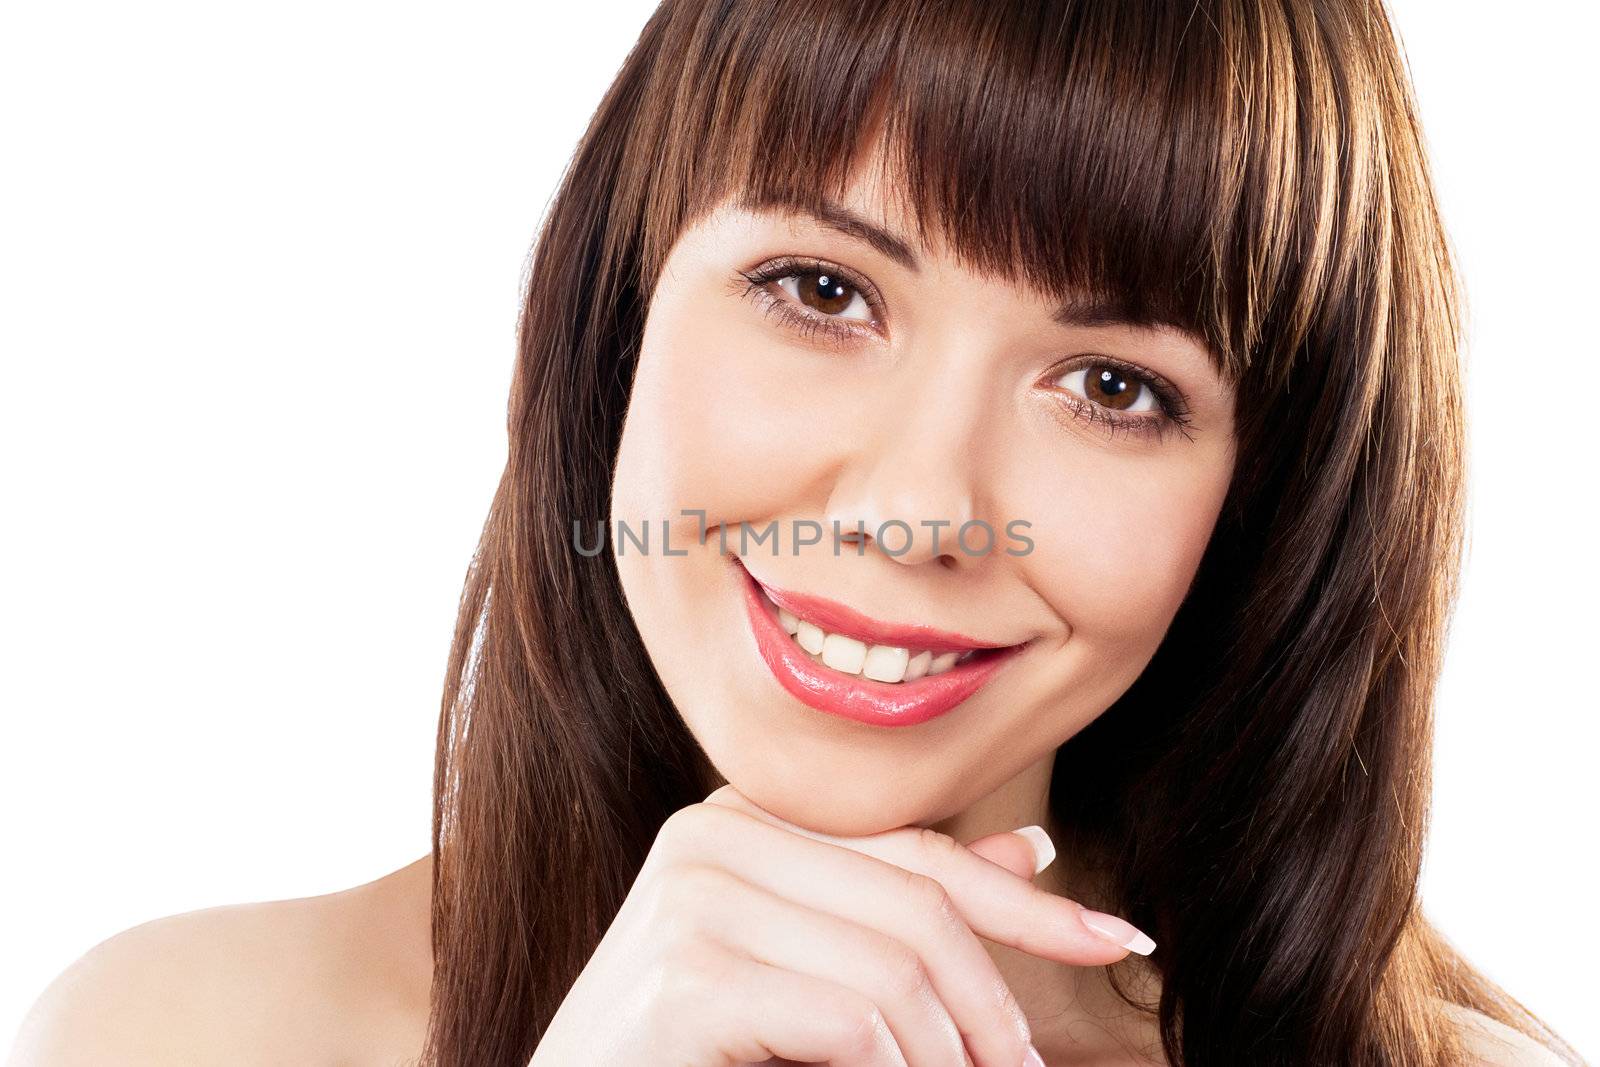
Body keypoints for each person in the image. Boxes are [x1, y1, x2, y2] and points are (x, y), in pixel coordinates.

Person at [9, 0, 1587, 1064]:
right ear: (618, 307)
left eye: (1110, 385)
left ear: (1267, 493)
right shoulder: (178, 1029)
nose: (916, 512)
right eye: (822, 292)